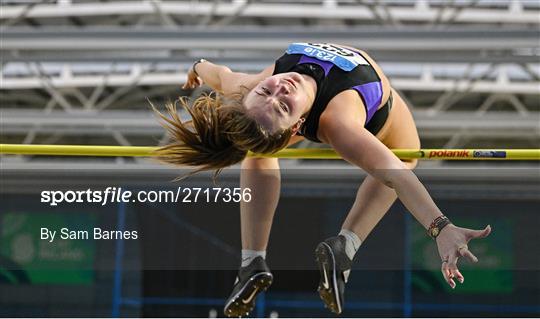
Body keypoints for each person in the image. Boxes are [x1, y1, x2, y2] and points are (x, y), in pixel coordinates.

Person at [154, 43, 492, 317]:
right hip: (378, 114)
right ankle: (344, 246)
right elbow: (396, 175)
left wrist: (196, 67)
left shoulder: (248, 87)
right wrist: (441, 228)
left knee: (257, 144)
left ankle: (251, 263)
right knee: (406, 156)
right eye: (283, 106)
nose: (279, 89)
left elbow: (218, 74)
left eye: (267, 91)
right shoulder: (338, 122)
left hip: (327, 100)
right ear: (298, 126)